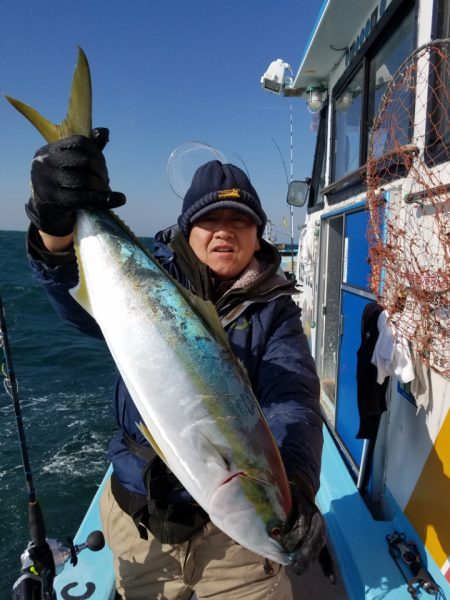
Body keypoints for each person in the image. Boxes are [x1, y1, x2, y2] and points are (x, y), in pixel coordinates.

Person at [26, 130, 326, 600]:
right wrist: (55, 225)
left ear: (258, 233)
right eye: (211, 218)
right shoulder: (148, 277)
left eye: (241, 220)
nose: (225, 230)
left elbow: (297, 403)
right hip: (137, 521)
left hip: (231, 551)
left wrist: (300, 482)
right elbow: (72, 294)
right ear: (188, 228)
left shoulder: (276, 311)